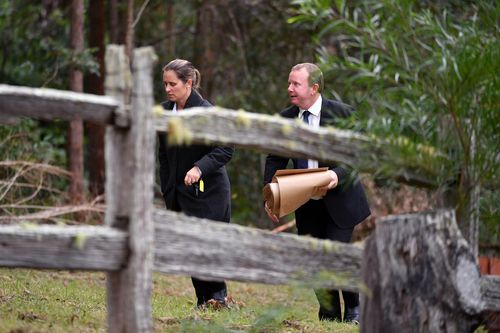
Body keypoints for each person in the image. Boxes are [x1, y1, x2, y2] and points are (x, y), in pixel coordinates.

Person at [263, 63, 371, 324]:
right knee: (315, 260)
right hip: (305, 202)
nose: (289, 88)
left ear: (314, 87)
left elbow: (360, 152)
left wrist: (337, 175)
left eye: (295, 84)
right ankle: (330, 314)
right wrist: (271, 194)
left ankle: (354, 310)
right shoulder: (286, 118)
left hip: (340, 199)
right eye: (289, 83)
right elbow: (274, 158)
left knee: (336, 254)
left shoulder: (343, 114)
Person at [158, 59, 234, 308]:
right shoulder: (164, 112)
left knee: (207, 244)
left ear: (188, 83)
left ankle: (218, 297)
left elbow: (225, 149)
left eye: (173, 84)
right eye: (165, 84)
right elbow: (164, 154)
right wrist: (167, 186)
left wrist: (200, 167)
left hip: (209, 192)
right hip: (178, 192)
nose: (168, 89)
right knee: (190, 247)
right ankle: (203, 300)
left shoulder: (207, 112)